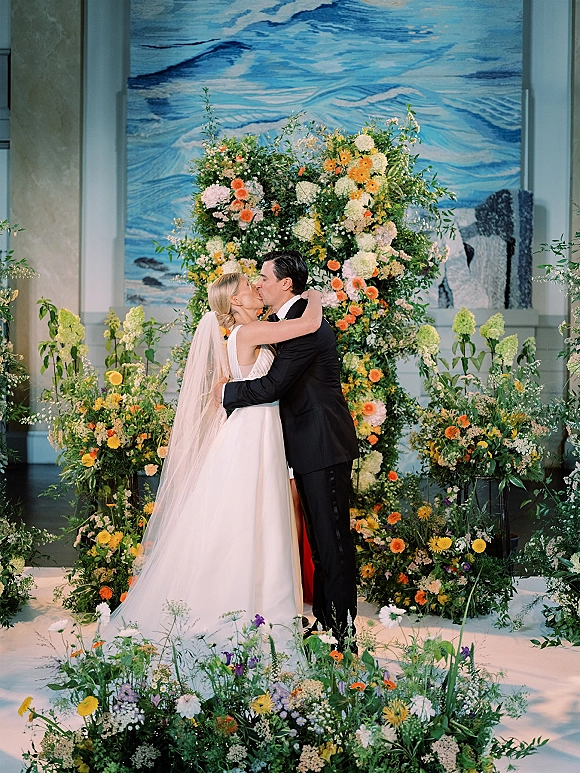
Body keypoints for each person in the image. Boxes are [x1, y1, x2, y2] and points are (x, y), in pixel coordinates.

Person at [107, 271, 323, 648]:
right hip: (253, 431)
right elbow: (308, 324)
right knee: (250, 514)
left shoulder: (241, 334)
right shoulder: (249, 332)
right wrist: (315, 295)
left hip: (256, 427)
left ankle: (256, 598)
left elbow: (222, 385)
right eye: (247, 289)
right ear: (235, 302)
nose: (255, 290)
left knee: (251, 514)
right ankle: (244, 602)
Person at [219, 250, 360, 647]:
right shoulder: (285, 322)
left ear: (285, 284)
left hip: (323, 442)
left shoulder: (305, 326)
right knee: (318, 537)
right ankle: (326, 620)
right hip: (303, 444)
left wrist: (224, 392)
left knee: (331, 540)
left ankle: (343, 633)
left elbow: (272, 386)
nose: (258, 283)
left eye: (263, 277)